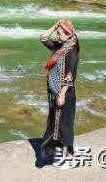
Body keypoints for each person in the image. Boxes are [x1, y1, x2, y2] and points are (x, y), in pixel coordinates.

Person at [39, 19, 80, 169]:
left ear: (69, 35)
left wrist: (62, 94)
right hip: (56, 92)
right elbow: (43, 38)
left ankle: (72, 157)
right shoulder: (60, 47)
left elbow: (70, 76)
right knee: (56, 124)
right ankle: (64, 155)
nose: (57, 36)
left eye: (60, 33)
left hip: (65, 94)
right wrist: (55, 26)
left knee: (64, 126)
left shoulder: (72, 52)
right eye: (57, 33)